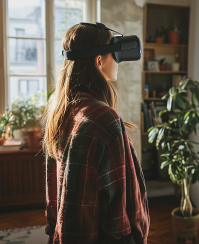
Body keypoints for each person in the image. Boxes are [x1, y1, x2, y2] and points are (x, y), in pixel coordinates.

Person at [42, 23, 149, 244]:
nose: (117, 61)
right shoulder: (103, 118)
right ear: (99, 61)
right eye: (114, 53)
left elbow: (53, 186)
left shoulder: (61, 110)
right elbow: (119, 208)